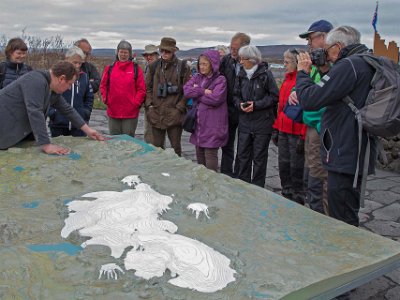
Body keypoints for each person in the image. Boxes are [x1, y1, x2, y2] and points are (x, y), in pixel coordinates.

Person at [296, 25, 376, 226]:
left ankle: (346, 253)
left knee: (341, 214)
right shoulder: (364, 62)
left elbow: (310, 99)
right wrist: (325, 72)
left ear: (338, 47)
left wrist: (303, 73)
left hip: (343, 149)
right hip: (357, 147)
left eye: (328, 49)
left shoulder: (348, 66)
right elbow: (338, 94)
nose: (327, 56)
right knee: (348, 206)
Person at [0, 61, 104, 154]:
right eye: (69, 84)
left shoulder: (52, 90)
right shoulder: (36, 80)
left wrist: (88, 130)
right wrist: (46, 145)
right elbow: (35, 112)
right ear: (61, 78)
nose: (69, 88)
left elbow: (67, 110)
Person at [289, 19, 333, 215]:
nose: (308, 43)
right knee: (312, 178)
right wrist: (296, 91)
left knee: (319, 180)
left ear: (324, 37)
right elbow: (311, 89)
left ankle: (322, 222)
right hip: (313, 126)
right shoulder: (318, 65)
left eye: (311, 38)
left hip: (322, 127)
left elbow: (322, 96)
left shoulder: (332, 66)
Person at [233, 45, 279, 187]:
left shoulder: (266, 74)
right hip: (245, 122)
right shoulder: (240, 74)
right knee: (242, 155)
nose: (240, 62)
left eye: (243, 59)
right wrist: (240, 104)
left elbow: (274, 96)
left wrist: (256, 105)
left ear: (252, 60)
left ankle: (258, 188)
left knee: (259, 158)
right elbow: (235, 95)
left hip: (262, 123)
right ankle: (243, 186)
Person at [183, 49, 228, 171]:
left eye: (205, 64)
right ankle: (202, 181)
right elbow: (186, 91)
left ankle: (211, 182)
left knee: (210, 154)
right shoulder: (197, 77)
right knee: (199, 152)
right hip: (199, 123)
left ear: (213, 64)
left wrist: (196, 93)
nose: (201, 67)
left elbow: (215, 99)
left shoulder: (220, 80)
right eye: (200, 64)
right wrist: (202, 91)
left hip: (213, 125)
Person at [145, 37, 191, 156]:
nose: (164, 54)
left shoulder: (183, 67)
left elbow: (188, 90)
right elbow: (147, 88)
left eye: (168, 51)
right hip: (156, 113)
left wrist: (179, 108)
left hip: (174, 115)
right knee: (157, 150)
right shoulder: (153, 66)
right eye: (162, 51)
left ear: (173, 51)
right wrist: (149, 106)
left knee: (176, 149)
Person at [272, 49, 307, 204]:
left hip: (297, 131)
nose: (284, 65)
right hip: (283, 129)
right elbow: (280, 107)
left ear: (296, 63)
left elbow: (308, 108)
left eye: (287, 62)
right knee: (284, 164)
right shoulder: (286, 80)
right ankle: (287, 193)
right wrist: (276, 128)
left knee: (297, 167)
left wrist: (303, 135)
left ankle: (299, 197)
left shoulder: (302, 81)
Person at [220, 32, 251, 177]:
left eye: (235, 48)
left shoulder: (252, 63)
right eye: (230, 47)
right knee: (227, 143)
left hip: (246, 109)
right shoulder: (226, 61)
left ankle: (240, 174)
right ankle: (226, 172)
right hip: (228, 108)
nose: (232, 51)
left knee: (244, 146)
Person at [100, 40, 146, 137]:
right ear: (117, 52)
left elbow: (141, 89)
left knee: (128, 142)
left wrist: (135, 103)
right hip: (113, 111)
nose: (123, 55)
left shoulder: (136, 69)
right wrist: (106, 99)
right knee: (114, 141)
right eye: (121, 52)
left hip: (130, 112)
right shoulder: (110, 68)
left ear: (130, 54)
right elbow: (103, 86)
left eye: (126, 52)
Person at [48, 46, 94, 137]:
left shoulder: (84, 77)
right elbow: (49, 96)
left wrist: (85, 112)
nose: (77, 66)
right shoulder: (56, 76)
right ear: (67, 59)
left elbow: (89, 97)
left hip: (79, 125)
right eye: (75, 62)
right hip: (58, 124)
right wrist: (52, 112)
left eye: (80, 63)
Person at [142, 44, 160, 144]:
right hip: (148, 105)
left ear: (157, 55)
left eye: (151, 55)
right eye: (146, 55)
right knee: (148, 133)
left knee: (157, 135)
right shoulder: (147, 67)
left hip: (158, 106)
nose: (148, 57)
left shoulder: (160, 68)